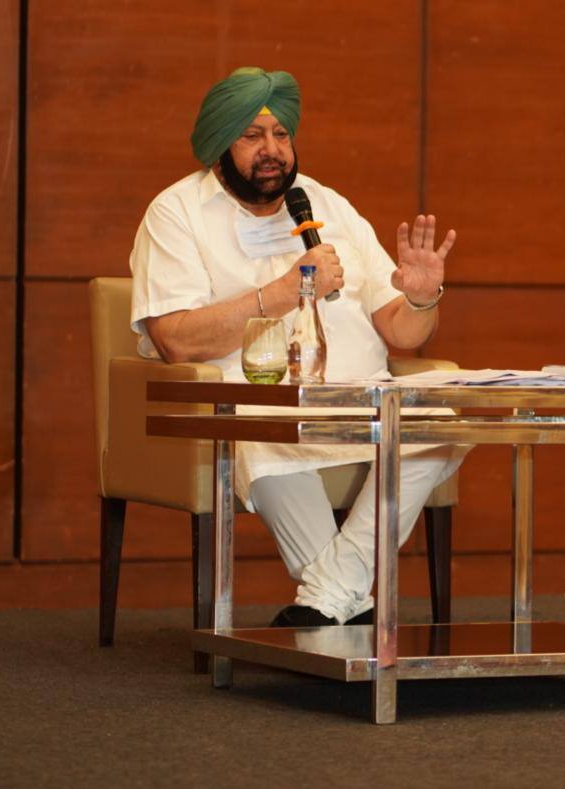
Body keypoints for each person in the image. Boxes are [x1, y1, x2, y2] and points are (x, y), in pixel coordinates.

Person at [129, 67, 466, 628]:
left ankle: (331, 599)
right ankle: (345, 601)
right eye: (252, 135)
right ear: (220, 144)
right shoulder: (176, 212)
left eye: (282, 134)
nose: (272, 150)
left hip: (360, 399)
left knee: (442, 419)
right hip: (256, 403)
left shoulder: (330, 205)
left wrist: (422, 297)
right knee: (259, 434)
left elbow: (403, 333)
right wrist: (288, 290)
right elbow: (176, 340)